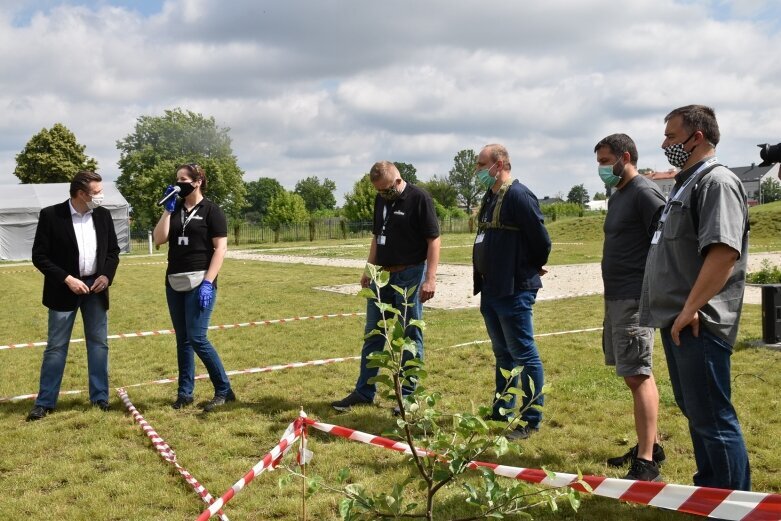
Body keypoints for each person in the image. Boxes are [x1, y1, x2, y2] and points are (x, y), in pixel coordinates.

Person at [640, 105, 751, 490]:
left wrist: (690, 309)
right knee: (696, 410)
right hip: (679, 321)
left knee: (712, 416)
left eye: (671, 136)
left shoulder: (716, 183)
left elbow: (722, 253)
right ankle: (711, 489)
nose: (664, 143)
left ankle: (732, 503)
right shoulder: (686, 183)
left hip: (698, 322)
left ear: (696, 137)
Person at [332, 161, 441, 413]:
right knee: (374, 335)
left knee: (409, 337)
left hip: (410, 276)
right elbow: (376, 237)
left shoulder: (420, 198)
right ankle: (364, 391)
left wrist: (430, 278)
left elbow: (433, 240)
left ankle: (408, 398)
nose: (383, 194)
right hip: (382, 277)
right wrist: (369, 269)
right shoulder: (381, 200)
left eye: (386, 189)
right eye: (378, 191)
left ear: (398, 180)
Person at [594, 134, 667, 481]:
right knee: (632, 372)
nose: (601, 168)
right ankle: (650, 442)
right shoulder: (618, 195)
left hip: (635, 297)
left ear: (625, 157)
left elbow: (668, 240)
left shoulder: (644, 192)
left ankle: (647, 461)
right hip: (617, 297)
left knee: (638, 374)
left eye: (606, 161)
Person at [472, 144, 551, 440]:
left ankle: (530, 417)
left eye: (481, 164)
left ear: (500, 163)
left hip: (514, 289)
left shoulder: (519, 195)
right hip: (491, 288)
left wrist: (529, 266)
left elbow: (541, 240)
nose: (477, 171)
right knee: (503, 353)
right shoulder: (490, 196)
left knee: (524, 354)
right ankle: (502, 408)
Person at [27, 171, 120, 421]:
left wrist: (106, 276)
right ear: (81, 194)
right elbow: (40, 256)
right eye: (97, 192)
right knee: (56, 347)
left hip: (96, 290)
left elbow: (113, 251)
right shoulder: (51, 215)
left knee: (99, 345)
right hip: (63, 290)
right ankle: (45, 402)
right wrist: (67, 279)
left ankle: (100, 398)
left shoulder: (103, 215)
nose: (101, 197)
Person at [153, 163, 235, 412]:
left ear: (197, 181)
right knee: (183, 341)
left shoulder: (212, 211)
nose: (179, 184)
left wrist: (209, 282)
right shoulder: (175, 207)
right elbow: (159, 239)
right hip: (174, 281)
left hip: (200, 281)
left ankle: (224, 390)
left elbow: (220, 248)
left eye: (183, 179)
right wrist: (167, 211)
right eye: (176, 180)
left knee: (198, 338)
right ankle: (184, 393)